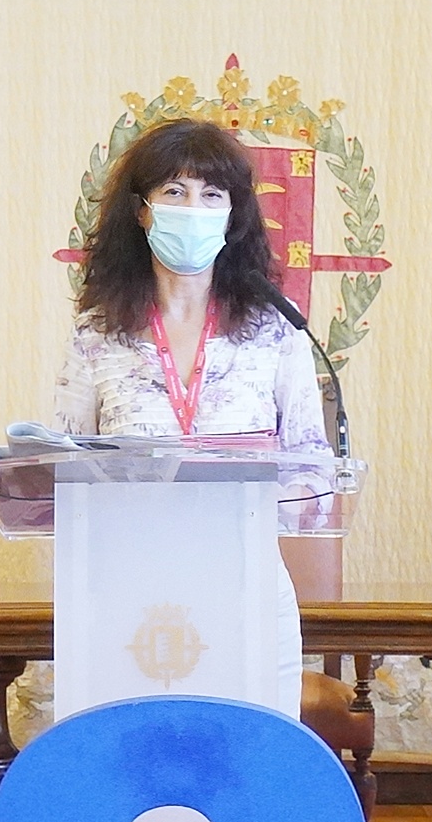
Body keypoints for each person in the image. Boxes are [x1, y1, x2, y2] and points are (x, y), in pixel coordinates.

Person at [53, 118, 331, 707]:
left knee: (246, 750)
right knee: (137, 750)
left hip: (246, 586)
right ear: (142, 211)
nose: (192, 209)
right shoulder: (96, 334)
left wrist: (266, 497)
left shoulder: (275, 329)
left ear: (232, 215)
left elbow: (313, 468)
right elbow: (61, 466)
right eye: (174, 192)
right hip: (128, 589)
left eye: (211, 194)